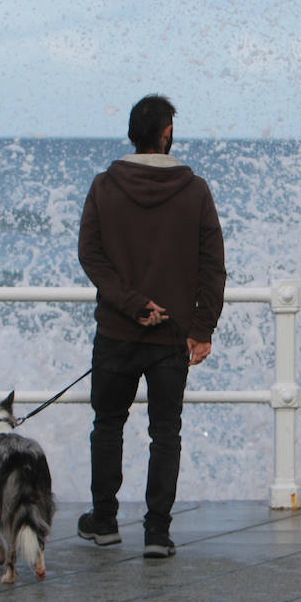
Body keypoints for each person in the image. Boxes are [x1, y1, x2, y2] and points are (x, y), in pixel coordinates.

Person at [76, 94, 226, 558]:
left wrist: (131, 303)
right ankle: (157, 532)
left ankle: (104, 521)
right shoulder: (195, 189)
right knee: (166, 432)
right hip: (171, 337)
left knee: (108, 425)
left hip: (118, 332)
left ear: (132, 133)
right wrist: (201, 328)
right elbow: (212, 266)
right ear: (166, 134)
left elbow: (91, 256)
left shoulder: (104, 185)